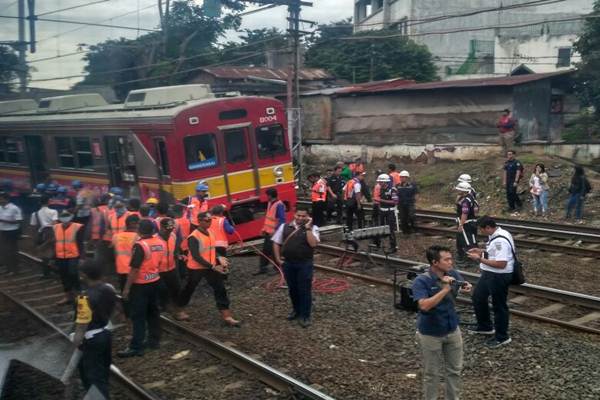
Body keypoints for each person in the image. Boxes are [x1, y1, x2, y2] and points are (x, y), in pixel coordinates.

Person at [412, 245, 471, 400]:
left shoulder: (452, 273)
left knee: (455, 371)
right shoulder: (421, 281)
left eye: (451, 258)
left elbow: (462, 283)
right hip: (430, 334)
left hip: (452, 329)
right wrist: (444, 290)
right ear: (435, 262)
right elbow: (424, 305)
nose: (451, 262)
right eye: (447, 259)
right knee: (432, 374)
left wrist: (466, 286)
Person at [179, 212, 240, 326]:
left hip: (210, 266)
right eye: (207, 220)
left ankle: (227, 316)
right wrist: (213, 266)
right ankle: (180, 309)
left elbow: (212, 248)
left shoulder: (210, 232)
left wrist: (219, 257)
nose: (209, 222)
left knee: (220, 288)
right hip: (196, 268)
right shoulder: (193, 237)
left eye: (210, 220)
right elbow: (196, 256)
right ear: (199, 221)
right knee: (189, 289)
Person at [118, 219, 164, 357]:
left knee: (138, 316)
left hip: (140, 285)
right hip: (155, 281)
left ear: (140, 230)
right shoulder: (159, 242)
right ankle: (154, 341)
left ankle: (136, 347)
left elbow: (134, 269)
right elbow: (159, 262)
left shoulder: (140, 246)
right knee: (153, 312)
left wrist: (126, 289)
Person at [466, 216, 514, 348]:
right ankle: (485, 326)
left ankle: (502, 337)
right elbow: (495, 253)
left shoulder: (500, 241)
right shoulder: (497, 234)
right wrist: (481, 251)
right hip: (489, 274)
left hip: (498, 276)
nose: (480, 232)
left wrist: (478, 258)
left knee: (499, 306)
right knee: (478, 297)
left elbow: (501, 263)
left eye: (481, 230)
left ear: (488, 227)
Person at [72, 260, 117, 399]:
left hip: (92, 339)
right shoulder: (109, 288)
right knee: (102, 372)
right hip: (106, 334)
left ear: (84, 275)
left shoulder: (84, 298)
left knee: (93, 377)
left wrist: (76, 342)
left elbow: (81, 325)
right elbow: (116, 312)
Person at [272, 206, 320, 328]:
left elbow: (313, 244)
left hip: (305, 264)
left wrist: (308, 228)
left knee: (304, 290)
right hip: (288, 263)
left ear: (308, 217)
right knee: (292, 289)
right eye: (298, 215)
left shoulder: (313, 228)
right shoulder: (284, 227)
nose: (300, 218)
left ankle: (305, 315)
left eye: (304, 216)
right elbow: (276, 242)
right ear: (294, 215)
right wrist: (278, 259)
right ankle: (296, 311)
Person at [157, 217, 188, 320]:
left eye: (171, 229)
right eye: (167, 229)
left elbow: (174, 251)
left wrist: (179, 256)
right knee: (162, 290)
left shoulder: (173, 236)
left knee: (177, 288)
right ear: (161, 228)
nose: (169, 231)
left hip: (171, 267)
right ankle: (165, 307)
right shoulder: (155, 240)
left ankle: (178, 310)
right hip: (159, 270)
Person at [52, 210, 84, 305]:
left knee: (73, 274)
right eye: (63, 216)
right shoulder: (55, 227)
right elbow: (55, 242)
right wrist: (53, 258)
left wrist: (82, 257)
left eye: (67, 216)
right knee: (63, 276)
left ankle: (79, 296)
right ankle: (68, 296)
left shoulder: (77, 227)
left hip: (73, 255)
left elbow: (80, 243)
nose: (65, 218)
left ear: (71, 217)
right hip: (60, 256)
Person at [255, 188, 286, 275]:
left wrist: (276, 231)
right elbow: (268, 219)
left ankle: (277, 269)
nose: (266, 197)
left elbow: (282, 220)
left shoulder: (279, 205)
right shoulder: (270, 203)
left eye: (267, 195)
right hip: (269, 232)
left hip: (274, 233)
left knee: (274, 251)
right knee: (266, 250)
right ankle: (263, 268)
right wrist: (263, 229)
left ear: (270, 195)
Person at [30, 194, 58, 278]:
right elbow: (55, 224)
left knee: (44, 255)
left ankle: (46, 273)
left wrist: (34, 239)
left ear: (39, 202)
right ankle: (55, 270)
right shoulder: (54, 211)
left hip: (42, 234)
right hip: (52, 233)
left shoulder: (35, 214)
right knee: (55, 252)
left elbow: (33, 227)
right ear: (48, 202)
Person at [112, 215, 140, 292]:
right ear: (133, 224)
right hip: (133, 271)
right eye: (138, 224)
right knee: (133, 293)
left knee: (123, 291)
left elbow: (115, 254)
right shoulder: (138, 237)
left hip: (120, 269)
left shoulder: (115, 236)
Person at [454, 181, 479, 267]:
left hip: (467, 224)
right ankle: (472, 259)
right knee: (472, 241)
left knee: (468, 242)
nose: (458, 191)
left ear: (463, 191)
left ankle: (471, 261)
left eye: (459, 190)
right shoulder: (470, 197)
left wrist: (461, 225)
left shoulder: (466, 201)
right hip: (471, 223)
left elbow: (464, 214)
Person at [373, 174, 398, 252]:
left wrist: (380, 200)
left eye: (380, 181)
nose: (379, 183)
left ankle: (393, 247)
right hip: (382, 211)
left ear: (385, 181)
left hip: (390, 211)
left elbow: (395, 201)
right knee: (379, 228)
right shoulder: (381, 189)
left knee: (390, 230)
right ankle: (377, 244)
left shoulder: (392, 190)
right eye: (379, 181)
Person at [0, 191, 23, 275]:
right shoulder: (0, 207)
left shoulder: (14, 208)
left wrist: (3, 221)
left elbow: (19, 221)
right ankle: (8, 268)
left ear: (7, 199)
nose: (0, 200)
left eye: (1, 199)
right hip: (3, 231)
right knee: (4, 251)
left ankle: (15, 270)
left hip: (12, 232)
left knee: (12, 251)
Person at [397, 170, 418, 234]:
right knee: (403, 218)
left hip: (410, 203)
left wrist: (415, 200)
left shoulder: (412, 185)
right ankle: (405, 231)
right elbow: (395, 194)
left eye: (404, 177)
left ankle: (414, 229)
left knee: (411, 216)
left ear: (407, 178)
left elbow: (416, 193)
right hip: (401, 204)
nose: (402, 178)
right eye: (401, 177)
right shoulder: (397, 186)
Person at [502, 150, 523, 214]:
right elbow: (505, 172)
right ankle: (511, 207)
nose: (509, 156)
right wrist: (504, 181)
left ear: (514, 155)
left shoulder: (517, 162)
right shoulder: (506, 163)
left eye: (510, 154)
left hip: (513, 180)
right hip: (508, 181)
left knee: (512, 192)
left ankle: (519, 204)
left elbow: (518, 172)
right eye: (508, 154)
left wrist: (516, 181)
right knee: (508, 194)